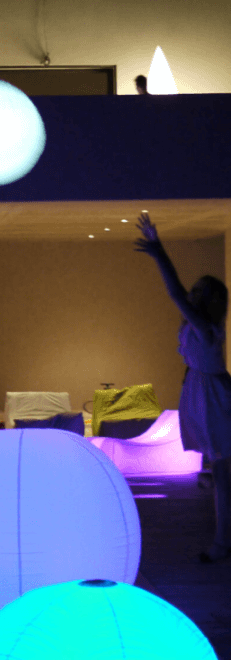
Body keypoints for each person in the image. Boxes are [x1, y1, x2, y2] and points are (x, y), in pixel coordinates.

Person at [135, 214, 231, 562]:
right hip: (201, 390)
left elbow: (175, 292)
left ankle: (222, 542)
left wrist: (160, 253)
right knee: (220, 472)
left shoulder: (206, 328)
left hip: (213, 395)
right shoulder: (198, 328)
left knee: (223, 473)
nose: (192, 295)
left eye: (199, 292)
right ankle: (223, 539)